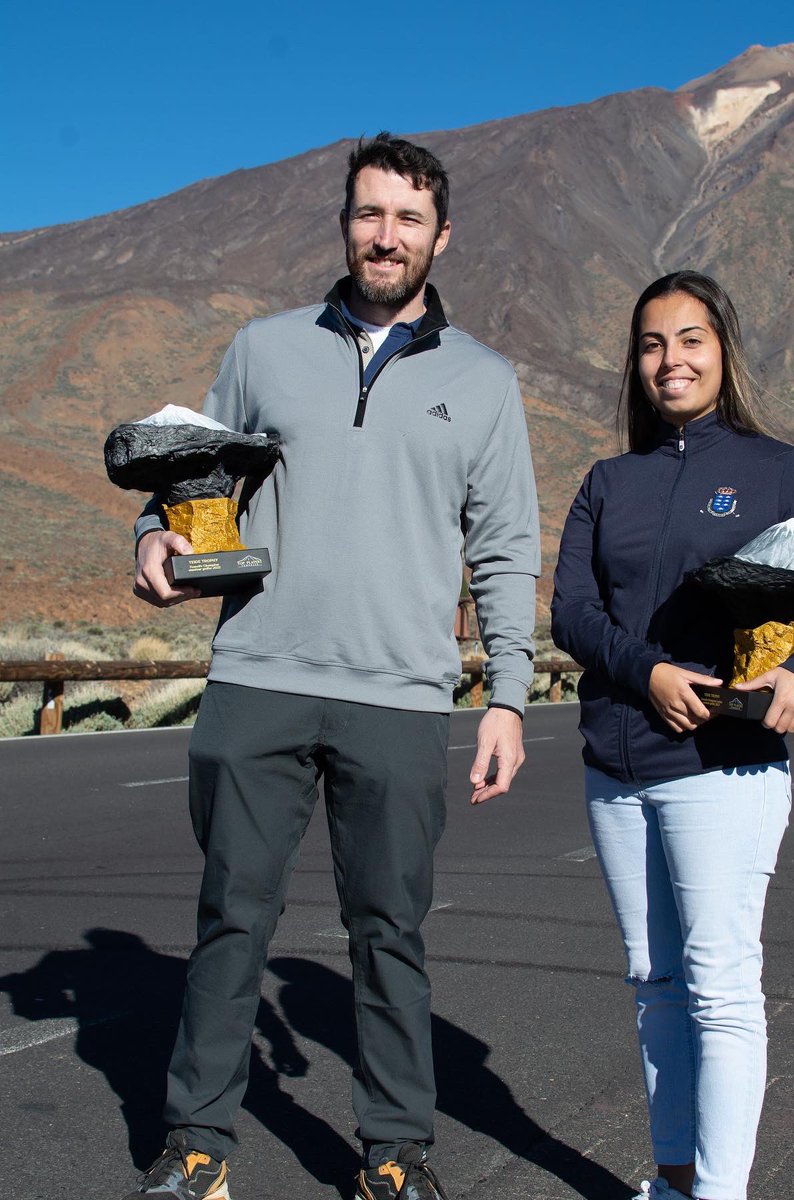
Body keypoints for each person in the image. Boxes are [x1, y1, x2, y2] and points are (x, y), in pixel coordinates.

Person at [123, 133, 540, 1200]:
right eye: (368, 213)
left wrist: (506, 696)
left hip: (398, 696)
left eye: (407, 218)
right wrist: (154, 541)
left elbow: (503, 549)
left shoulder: (486, 383)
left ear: (440, 236)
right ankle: (199, 1145)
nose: (385, 235)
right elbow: (185, 476)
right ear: (343, 223)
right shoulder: (263, 352)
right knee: (230, 918)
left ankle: (396, 1153)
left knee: (388, 933)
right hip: (259, 676)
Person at [550, 271, 794, 1200]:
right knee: (654, 984)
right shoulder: (608, 481)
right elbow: (571, 611)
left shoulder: (776, 470)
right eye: (651, 344)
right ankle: (674, 1177)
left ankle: (720, 1194)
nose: (669, 360)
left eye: (689, 340)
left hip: (722, 769)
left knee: (720, 988)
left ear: (723, 351)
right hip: (617, 764)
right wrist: (643, 670)